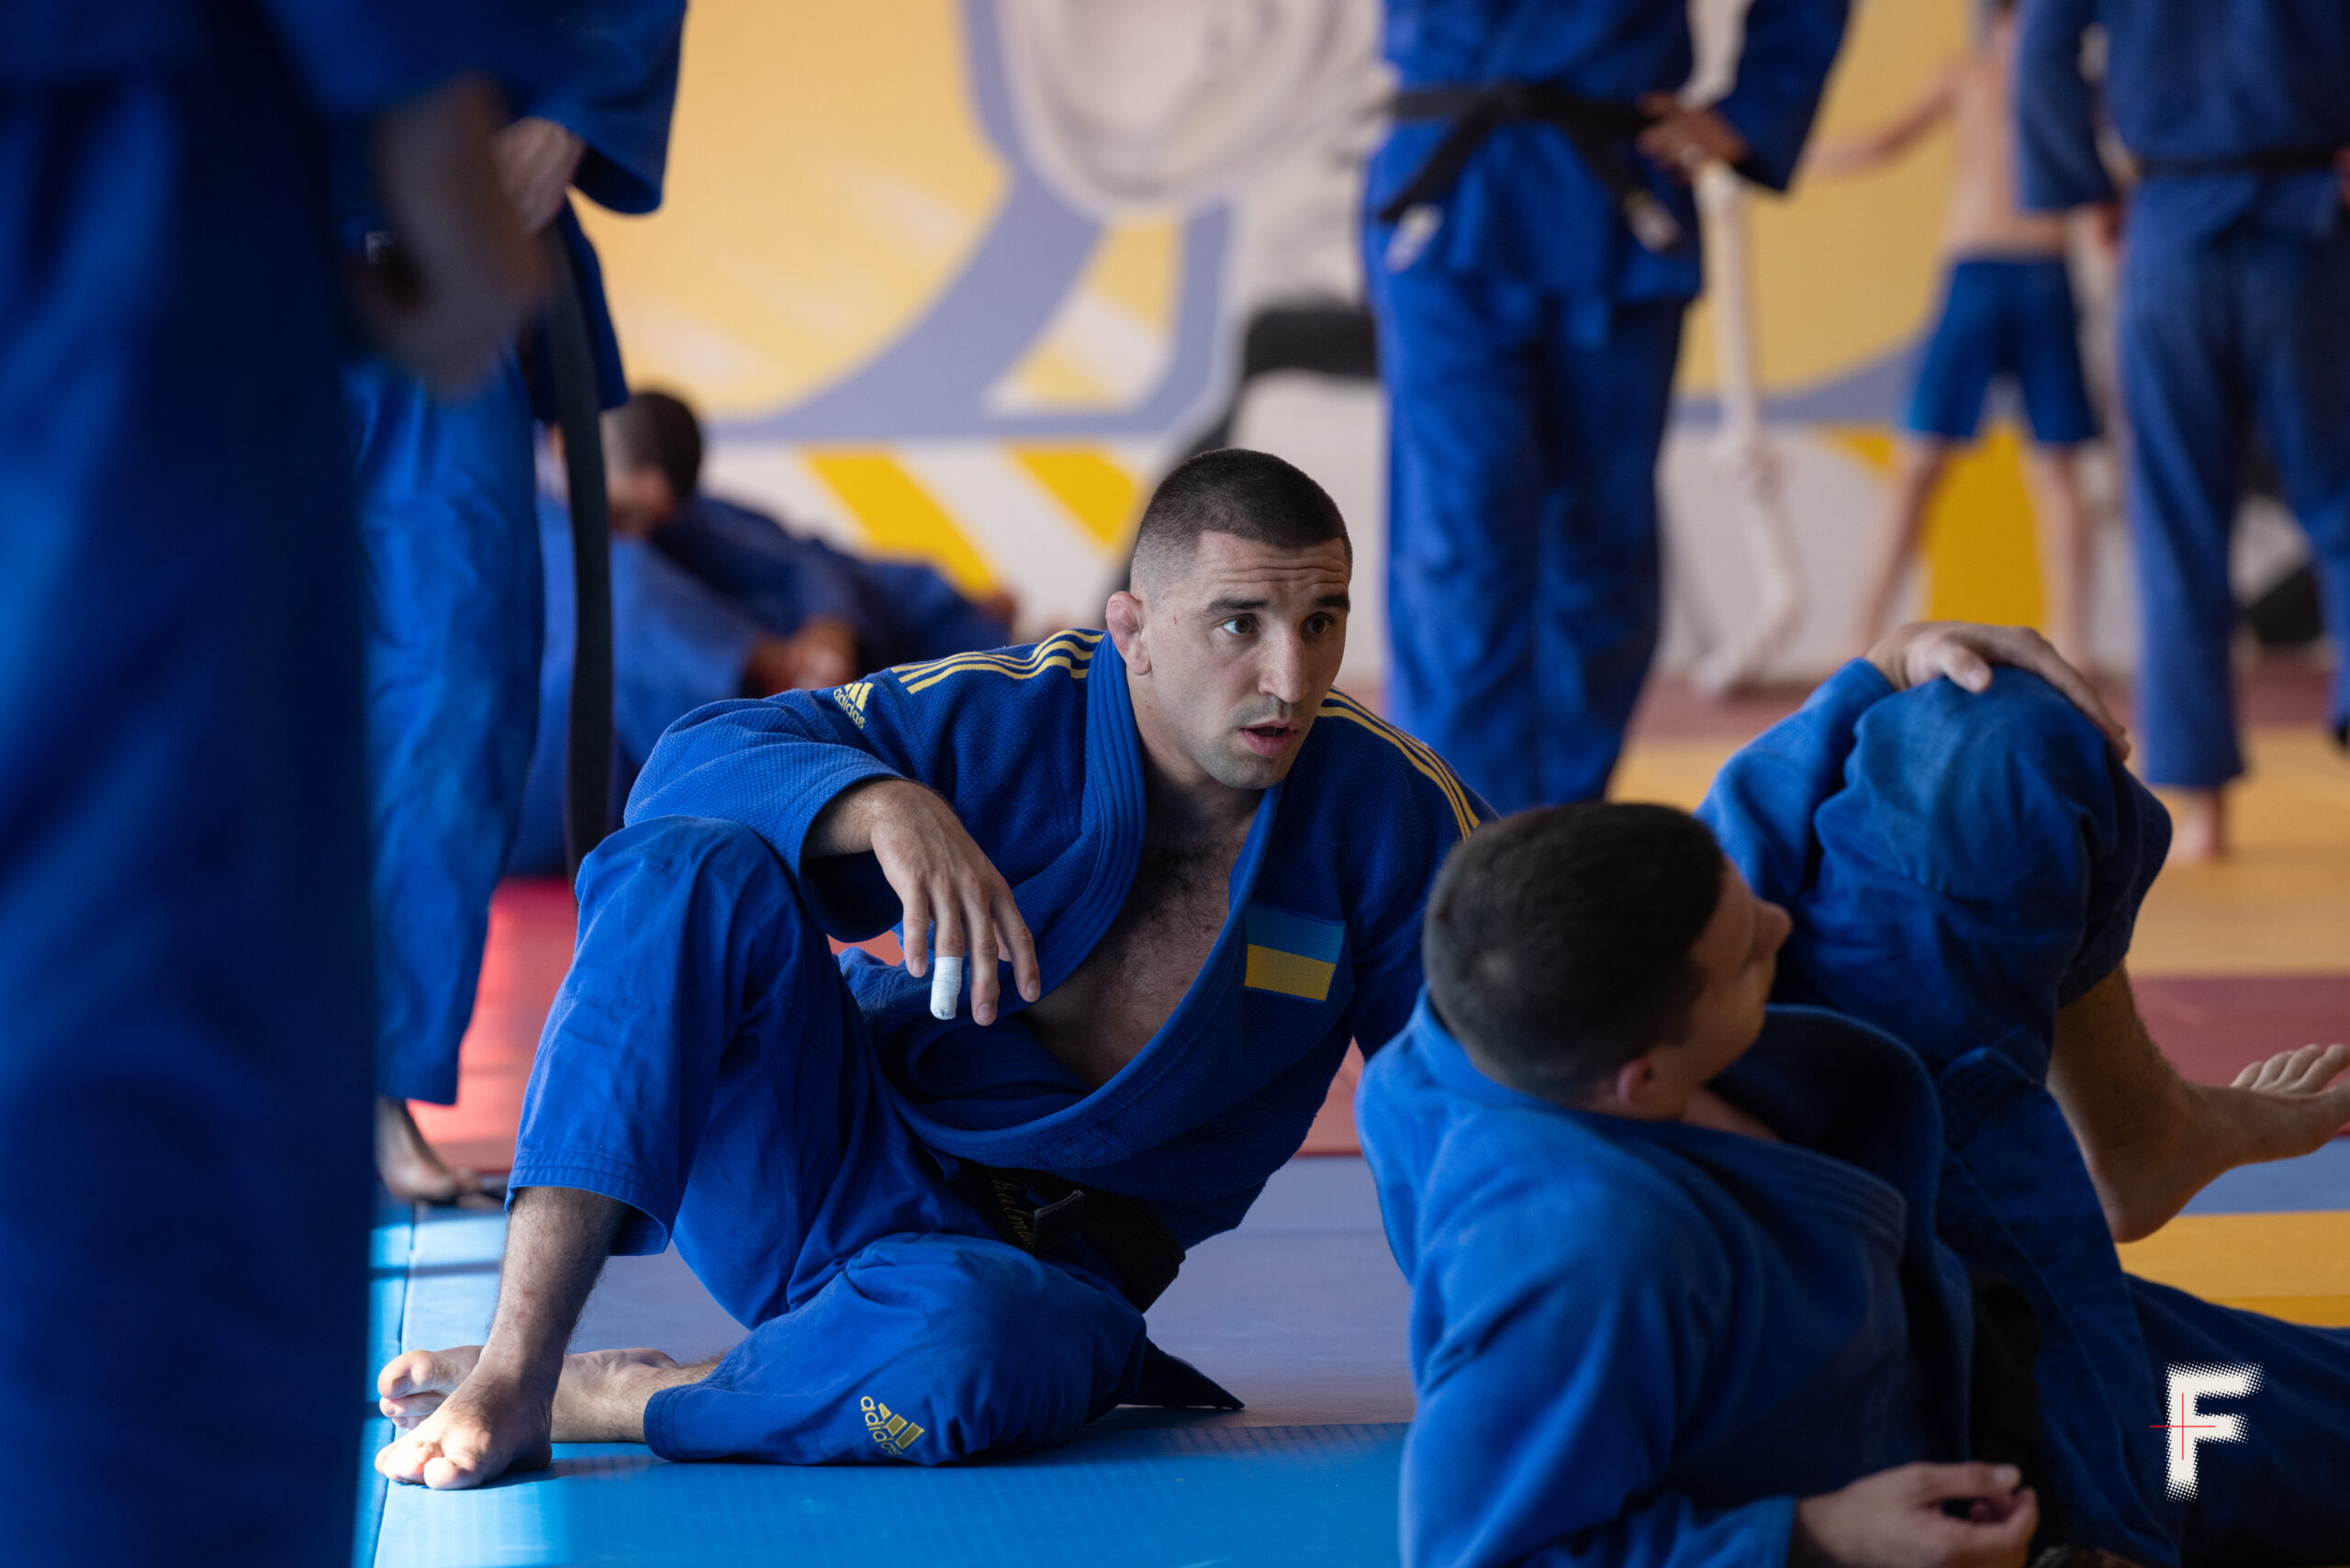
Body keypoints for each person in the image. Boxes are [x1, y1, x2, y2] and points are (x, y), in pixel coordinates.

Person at [371, 448, 1488, 1486]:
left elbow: (1470, 1105)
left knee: (976, 1350)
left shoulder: (1383, 816)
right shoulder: (1007, 717)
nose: (1288, 678)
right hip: (824, 1160)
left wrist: (1495, 1363)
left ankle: (628, 1396)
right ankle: (518, 1366)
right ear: (1133, 629)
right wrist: (878, 805)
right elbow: (685, 768)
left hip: (1042, 1282)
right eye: (1239, 624)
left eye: (1321, 620)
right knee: (685, 866)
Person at [1360, 629, 2350, 1566]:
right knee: (2265, 1442)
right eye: (1749, 956)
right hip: (1990, 1447)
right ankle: (2116, 1513)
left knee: (2000, 746)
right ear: (1645, 1079)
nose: (1779, 924)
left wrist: (1876, 671)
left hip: (1972, 1264)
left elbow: (1729, 846)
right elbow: (1480, 1551)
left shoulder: (1538, 989)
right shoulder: (1572, 1261)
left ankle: (2138, 1142)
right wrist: (1812, 1535)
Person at [0, 6, 543, 1561]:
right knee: (149, 993)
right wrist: (429, 144)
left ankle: (380, 1085)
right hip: (124, 174)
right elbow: (456, 274)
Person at [352, 0, 687, 1205]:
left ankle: (370, 1090)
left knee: (456, 672)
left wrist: (572, 107)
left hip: (439, 226)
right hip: (191, 216)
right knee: (182, 681)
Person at [1365, 0, 1850, 814]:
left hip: (1611, 199)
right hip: (1448, 195)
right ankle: (1450, 847)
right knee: (1460, 536)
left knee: (1599, 548)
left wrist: (1752, 109)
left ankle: (1561, 838)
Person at [2017, 0, 2350, 863]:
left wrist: (2082, 189)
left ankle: (2200, 811)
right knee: (2344, 506)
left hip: (2169, 221)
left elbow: (2043, 48)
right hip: (2310, 223)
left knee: (2176, 523)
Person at [1805, 0, 2103, 670]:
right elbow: (1882, 142)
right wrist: (1780, 155)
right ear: (1998, 20)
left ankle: (2075, 635)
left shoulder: (2076, 89)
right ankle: (1862, 630)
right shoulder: (1967, 75)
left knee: (2056, 465)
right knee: (1918, 461)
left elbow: (2122, 165)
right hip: (1974, 277)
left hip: (2047, 277)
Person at [604, 389, 1019, 677]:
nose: (637, 538)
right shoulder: (596, 566)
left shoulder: (688, 522)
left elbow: (804, 563)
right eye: (627, 514)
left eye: (648, 518)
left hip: (902, 622)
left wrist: (829, 626)